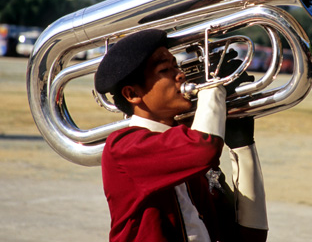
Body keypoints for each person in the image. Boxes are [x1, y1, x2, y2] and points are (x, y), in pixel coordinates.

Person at [94, 29, 268, 242]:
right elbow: (204, 148)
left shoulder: (192, 154)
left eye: (176, 65)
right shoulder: (122, 147)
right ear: (132, 94)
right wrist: (213, 86)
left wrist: (243, 146)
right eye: (165, 69)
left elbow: (250, 235)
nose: (181, 74)